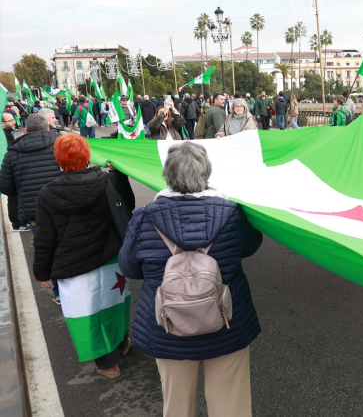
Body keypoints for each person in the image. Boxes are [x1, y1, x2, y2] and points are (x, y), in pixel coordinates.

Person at [119, 142, 263, 417]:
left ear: (167, 175)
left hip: (168, 326)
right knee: (231, 404)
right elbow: (250, 247)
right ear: (206, 172)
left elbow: (130, 268)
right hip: (226, 322)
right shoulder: (233, 213)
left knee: (176, 405)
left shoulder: (143, 218)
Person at [33, 134, 134, 379]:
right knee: (114, 303)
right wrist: (120, 175)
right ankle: (121, 342)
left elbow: (45, 238)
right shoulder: (109, 181)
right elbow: (127, 206)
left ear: (58, 158)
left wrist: (42, 272)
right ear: (87, 155)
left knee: (88, 312)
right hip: (111, 259)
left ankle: (108, 363)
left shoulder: (48, 193)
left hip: (74, 265)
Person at [0, 113, 63, 300]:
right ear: (48, 128)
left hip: (34, 211)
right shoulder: (60, 144)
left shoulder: (12, 152)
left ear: (25, 130)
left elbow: (5, 187)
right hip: (63, 205)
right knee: (67, 245)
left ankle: (58, 293)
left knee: (47, 249)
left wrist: (23, 191)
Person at [2, 112, 24, 231]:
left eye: (13, 119)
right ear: (2, 124)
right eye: (10, 120)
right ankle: (17, 224)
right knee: (13, 196)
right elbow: (10, 152)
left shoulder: (8, 135)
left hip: (9, 170)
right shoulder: (4, 137)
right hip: (8, 171)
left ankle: (18, 222)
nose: (14, 121)